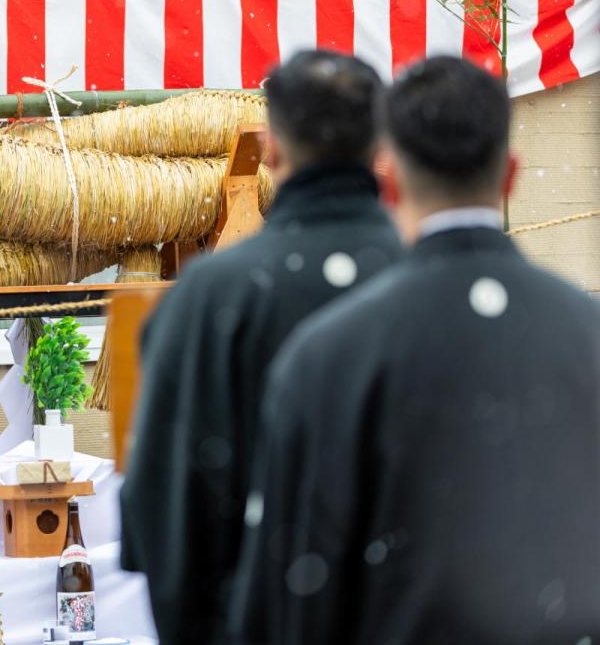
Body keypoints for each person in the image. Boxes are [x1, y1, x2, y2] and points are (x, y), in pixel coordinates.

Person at [227, 57, 600, 644]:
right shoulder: (588, 331)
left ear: (389, 181)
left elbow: (293, 587)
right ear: (509, 175)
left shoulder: (328, 353)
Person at [120, 50, 403, 644]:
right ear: (382, 148)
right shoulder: (430, 283)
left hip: (253, 620)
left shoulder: (211, 296)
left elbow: (164, 503)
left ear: (272, 150)